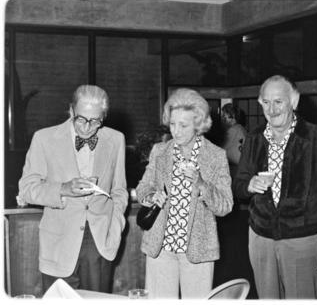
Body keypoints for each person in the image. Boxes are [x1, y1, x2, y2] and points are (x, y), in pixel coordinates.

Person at [233, 75, 317, 299]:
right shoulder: (254, 139)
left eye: (278, 102)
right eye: (266, 102)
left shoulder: (314, 136)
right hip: (261, 238)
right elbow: (238, 186)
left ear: (294, 101)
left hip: (302, 240)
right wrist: (249, 185)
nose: (271, 110)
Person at [17, 85, 128, 293]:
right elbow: (26, 189)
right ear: (71, 111)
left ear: (104, 117)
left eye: (95, 121)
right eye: (81, 119)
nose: (87, 127)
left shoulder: (116, 139)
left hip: (99, 241)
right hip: (58, 241)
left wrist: (115, 225)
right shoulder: (44, 138)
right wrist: (62, 189)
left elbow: (119, 190)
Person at [136, 88, 233, 299]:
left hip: (197, 249)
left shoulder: (216, 156)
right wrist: (152, 196)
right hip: (160, 247)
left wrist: (201, 185)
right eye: (172, 124)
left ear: (198, 125)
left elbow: (226, 205)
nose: (176, 131)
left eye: (183, 125)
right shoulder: (160, 151)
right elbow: (143, 188)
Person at [221, 103, 247, 179]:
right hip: (240, 166)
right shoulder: (240, 128)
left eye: (224, 116)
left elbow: (221, 148)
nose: (223, 119)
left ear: (232, 116)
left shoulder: (233, 130)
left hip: (235, 168)